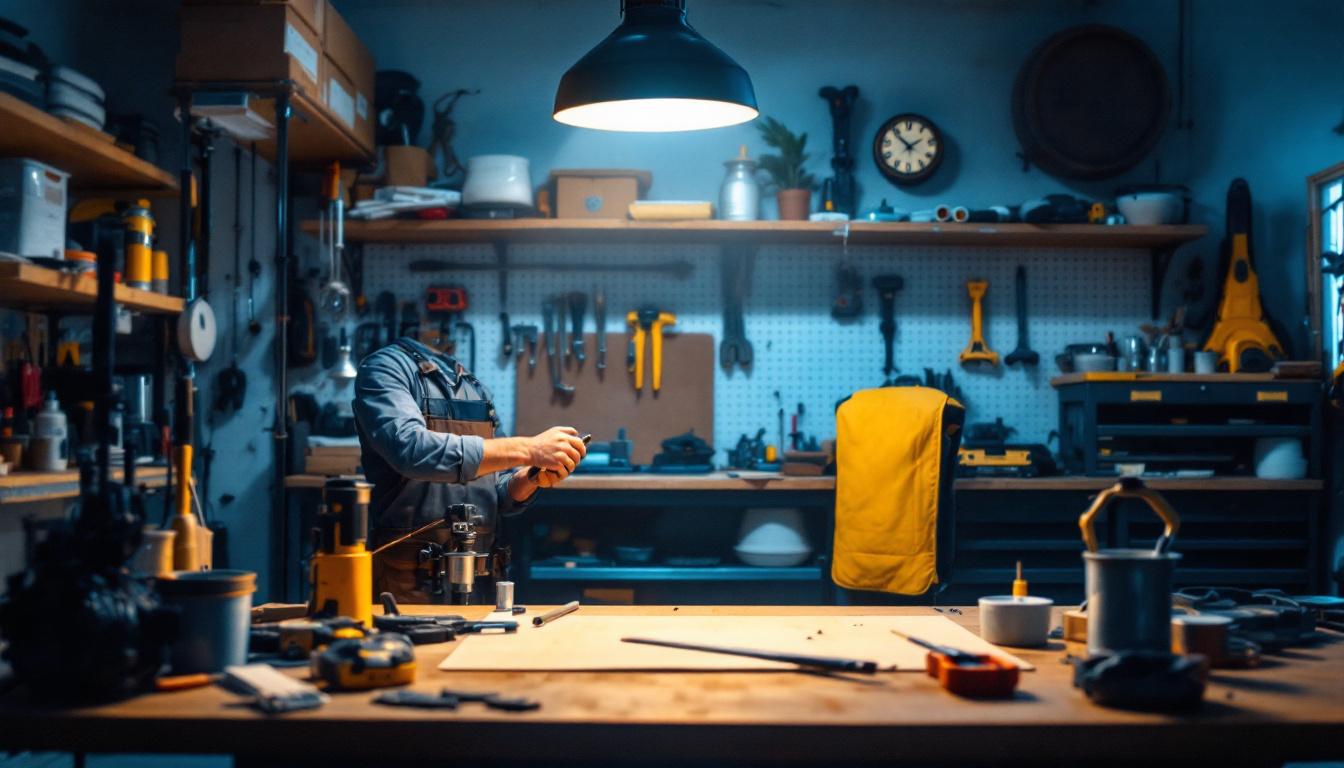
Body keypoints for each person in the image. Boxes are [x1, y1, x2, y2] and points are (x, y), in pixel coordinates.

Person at [352, 337, 587, 602]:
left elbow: (498, 491)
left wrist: (529, 478)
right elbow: (411, 449)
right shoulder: (386, 368)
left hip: (480, 575)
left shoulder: (474, 388)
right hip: (410, 578)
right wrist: (529, 448)